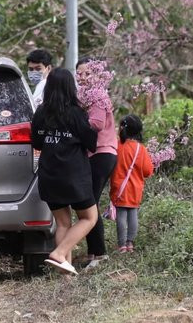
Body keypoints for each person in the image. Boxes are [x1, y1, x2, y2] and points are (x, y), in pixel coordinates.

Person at [31, 68, 99, 275]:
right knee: (89, 217)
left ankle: (66, 277)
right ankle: (59, 253)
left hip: (49, 174)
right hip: (73, 176)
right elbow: (91, 143)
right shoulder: (76, 113)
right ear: (71, 88)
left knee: (62, 223)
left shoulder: (41, 113)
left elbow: (37, 142)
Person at [76, 57, 118, 270]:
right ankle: (93, 251)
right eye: (79, 73)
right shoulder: (83, 96)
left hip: (102, 153)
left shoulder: (98, 95)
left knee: (89, 203)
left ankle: (100, 254)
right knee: (87, 202)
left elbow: (97, 123)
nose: (82, 77)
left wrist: (73, 121)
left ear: (97, 75)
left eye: (87, 73)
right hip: (93, 155)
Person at [110, 115, 154, 254]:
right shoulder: (141, 149)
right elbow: (148, 171)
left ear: (122, 129)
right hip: (135, 189)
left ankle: (122, 245)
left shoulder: (117, 146)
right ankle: (130, 243)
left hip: (119, 188)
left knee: (121, 216)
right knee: (133, 214)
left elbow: (110, 165)